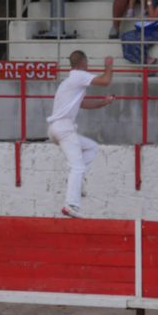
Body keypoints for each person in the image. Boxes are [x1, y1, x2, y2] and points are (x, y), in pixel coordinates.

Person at [46, 50, 116, 218]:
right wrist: (108, 66)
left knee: (91, 147)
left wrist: (103, 103)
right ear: (83, 63)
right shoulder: (79, 75)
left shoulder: (68, 82)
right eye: (87, 62)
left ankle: (75, 182)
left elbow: (83, 103)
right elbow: (105, 81)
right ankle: (71, 205)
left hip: (56, 129)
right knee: (77, 166)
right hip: (64, 129)